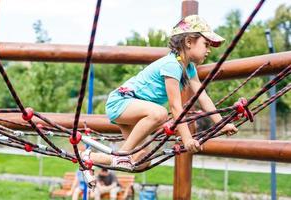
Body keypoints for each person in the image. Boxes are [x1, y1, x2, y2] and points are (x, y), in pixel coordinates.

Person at [85, 15, 238, 170]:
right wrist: (187, 139)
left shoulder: (189, 68)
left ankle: (91, 158)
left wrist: (221, 123)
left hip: (136, 109)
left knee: (141, 161)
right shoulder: (172, 65)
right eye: (206, 44)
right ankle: (122, 154)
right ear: (189, 42)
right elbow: (175, 107)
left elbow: (202, 96)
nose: (209, 50)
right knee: (160, 113)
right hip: (122, 101)